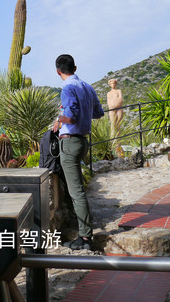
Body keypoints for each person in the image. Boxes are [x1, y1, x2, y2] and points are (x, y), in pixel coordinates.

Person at [52, 54, 104, 250]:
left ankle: (85, 237)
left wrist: (59, 118)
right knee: (76, 190)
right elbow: (98, 113)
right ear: (75, 68)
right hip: (83, 142)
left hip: (70, 142)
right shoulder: (87, 87)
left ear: (58, 72)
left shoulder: (67, 88)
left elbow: (71, 117)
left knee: (77, 192)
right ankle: (82, 228)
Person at [106, 79, 124, 147]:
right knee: (113, 125)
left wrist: (115, 105)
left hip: (118, 109)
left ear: (116, 84)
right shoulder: (108, 93)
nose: (113, 85)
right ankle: (113, 143)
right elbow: (108, 102)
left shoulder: (119, 91)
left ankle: (118, 145)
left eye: (114, 83)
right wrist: (112, 106)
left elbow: (120, 100)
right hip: (111, 109)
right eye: (112, 84)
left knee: (118, 125)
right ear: (110, 85)